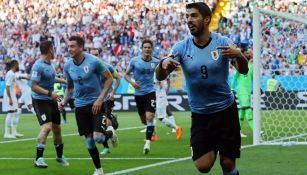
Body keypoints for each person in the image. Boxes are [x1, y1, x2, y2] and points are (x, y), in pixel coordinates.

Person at [155, 2, 248, 175]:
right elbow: (160, 76)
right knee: (203, 166)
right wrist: (162, 64)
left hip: (225, 111)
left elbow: (244, 70)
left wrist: (239, 55)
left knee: (227, 163)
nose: (189, 20)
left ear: (206, 19)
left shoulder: (222, 43)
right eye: (187, 16)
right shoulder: (181, 47)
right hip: (200, 115)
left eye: (194, 16)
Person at [61, 36, 117, 175]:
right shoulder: (68, 65)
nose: (70, 49)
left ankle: (109, 131)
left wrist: (100, 98)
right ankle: (99, 169)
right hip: (80, 107)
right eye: (68, 46)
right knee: (89, 142)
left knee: (98, 138)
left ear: (81, 47)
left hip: (96, 104)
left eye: (73, 46)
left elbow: (110, 78)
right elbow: (69, 87)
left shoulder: (94, 61)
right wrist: (64, 101)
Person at [30, 40, 69, 168]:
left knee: (57, 128)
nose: (55, 50)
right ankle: (38, 159)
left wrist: (65, 81)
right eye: (53, 48)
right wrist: (49, 94)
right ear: (50, 50)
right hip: (40, 100)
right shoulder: (37, 66)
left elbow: (52, 78)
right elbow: (34, 86)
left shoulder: (49, 64)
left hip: (50, 100)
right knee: (47, 127)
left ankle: (59, 156)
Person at [90, 48, 122, 155]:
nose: (95, 56)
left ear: (99, 55)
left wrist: (113, 92)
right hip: (95, 99)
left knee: (105, 120)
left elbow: (118, 78)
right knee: (97, 125)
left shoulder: (106, 66)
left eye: (96, 54)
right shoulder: (87, 68)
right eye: (92, 55)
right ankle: (108, 143)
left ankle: (111, 124)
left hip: (107, 98)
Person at [231, 49, 253, 138]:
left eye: (249, 53)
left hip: (248, 91)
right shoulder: (240, 65)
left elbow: (253, 78)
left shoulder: (251, 65)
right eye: (247, 53)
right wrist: (232, 88)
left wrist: (258, 87)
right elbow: (235, 78)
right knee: (248, 110)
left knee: (242, 112)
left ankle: (237, 131)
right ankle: (256, 130)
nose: (249, 54)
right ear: (243, 55)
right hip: (241, 91)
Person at [154, 73, 182, 139]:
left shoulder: (156, 74)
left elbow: (160, 85)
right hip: (159, 96)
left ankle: (177, 128)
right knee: (152, 115)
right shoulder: (159, 72)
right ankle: (152, 135)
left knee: (161, 117)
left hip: (160, 96)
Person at [3, 60, 22, 138]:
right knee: (10, 113)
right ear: (15, 65)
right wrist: (10, 98)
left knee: (14, 113)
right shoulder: (10, 74)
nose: (18, 66)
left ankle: (14, 132)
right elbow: (7, 86)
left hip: (12, 94)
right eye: (18, 65)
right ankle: (7, 133)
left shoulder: (12, 73)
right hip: (9, 95)